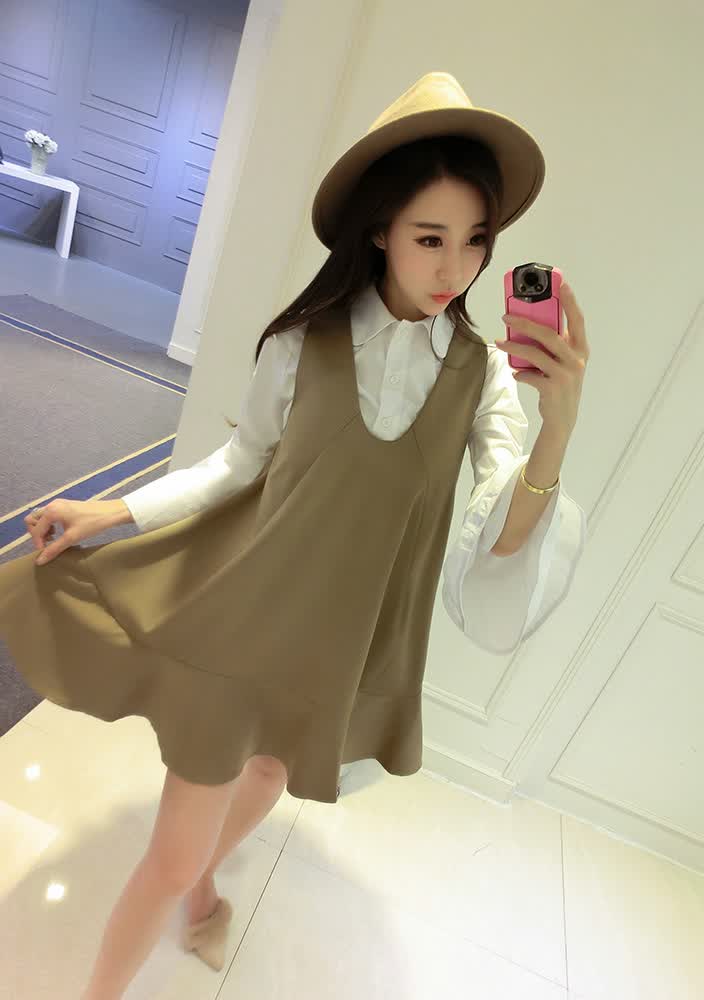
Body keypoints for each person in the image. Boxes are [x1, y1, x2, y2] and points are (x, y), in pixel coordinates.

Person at [0, 72, 589, 997]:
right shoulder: (304, 341)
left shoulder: (482, 375)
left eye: (476, 240)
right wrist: (110, 512)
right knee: (170, 853)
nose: (456, 269)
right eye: (430, 238)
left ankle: (200, 894)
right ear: (380, 230)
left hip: (344, 641)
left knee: (271, 774)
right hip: (244, 615)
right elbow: (237, 467)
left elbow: (501, 539)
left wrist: (560, 424)